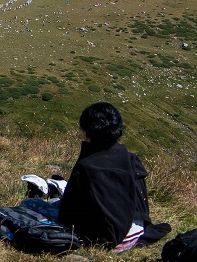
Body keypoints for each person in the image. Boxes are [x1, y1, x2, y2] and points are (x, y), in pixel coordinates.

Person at [58, 102, 161, 249]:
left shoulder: (87, 165)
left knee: (33, 205)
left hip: (106, 237)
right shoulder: (131, 159)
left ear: (87, 131)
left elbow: (67, 213)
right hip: (137, 229)